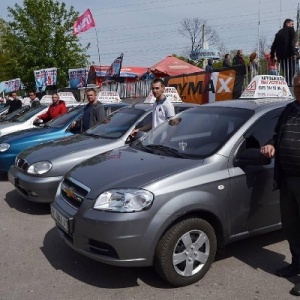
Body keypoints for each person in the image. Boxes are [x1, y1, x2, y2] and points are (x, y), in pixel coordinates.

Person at [260, 72, 300, 296]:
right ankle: (297, 264)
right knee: (291, 227)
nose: (297, 90)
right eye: (295, 86)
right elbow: (277, 135)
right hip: (287, 179)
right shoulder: (290, 109)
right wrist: (271, 145)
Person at [270, 18, 296, 86]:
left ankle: (287, 83)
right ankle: (290, 84)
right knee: (292, 70)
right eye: (292, 24)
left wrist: (272, 55)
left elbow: (274, 45)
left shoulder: (279, 32)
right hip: (289, 55)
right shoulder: (291, 31)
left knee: (286, 71)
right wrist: (294, 53)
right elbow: (291, 43)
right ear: (287, 24)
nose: (293, 25)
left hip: (281, 56)